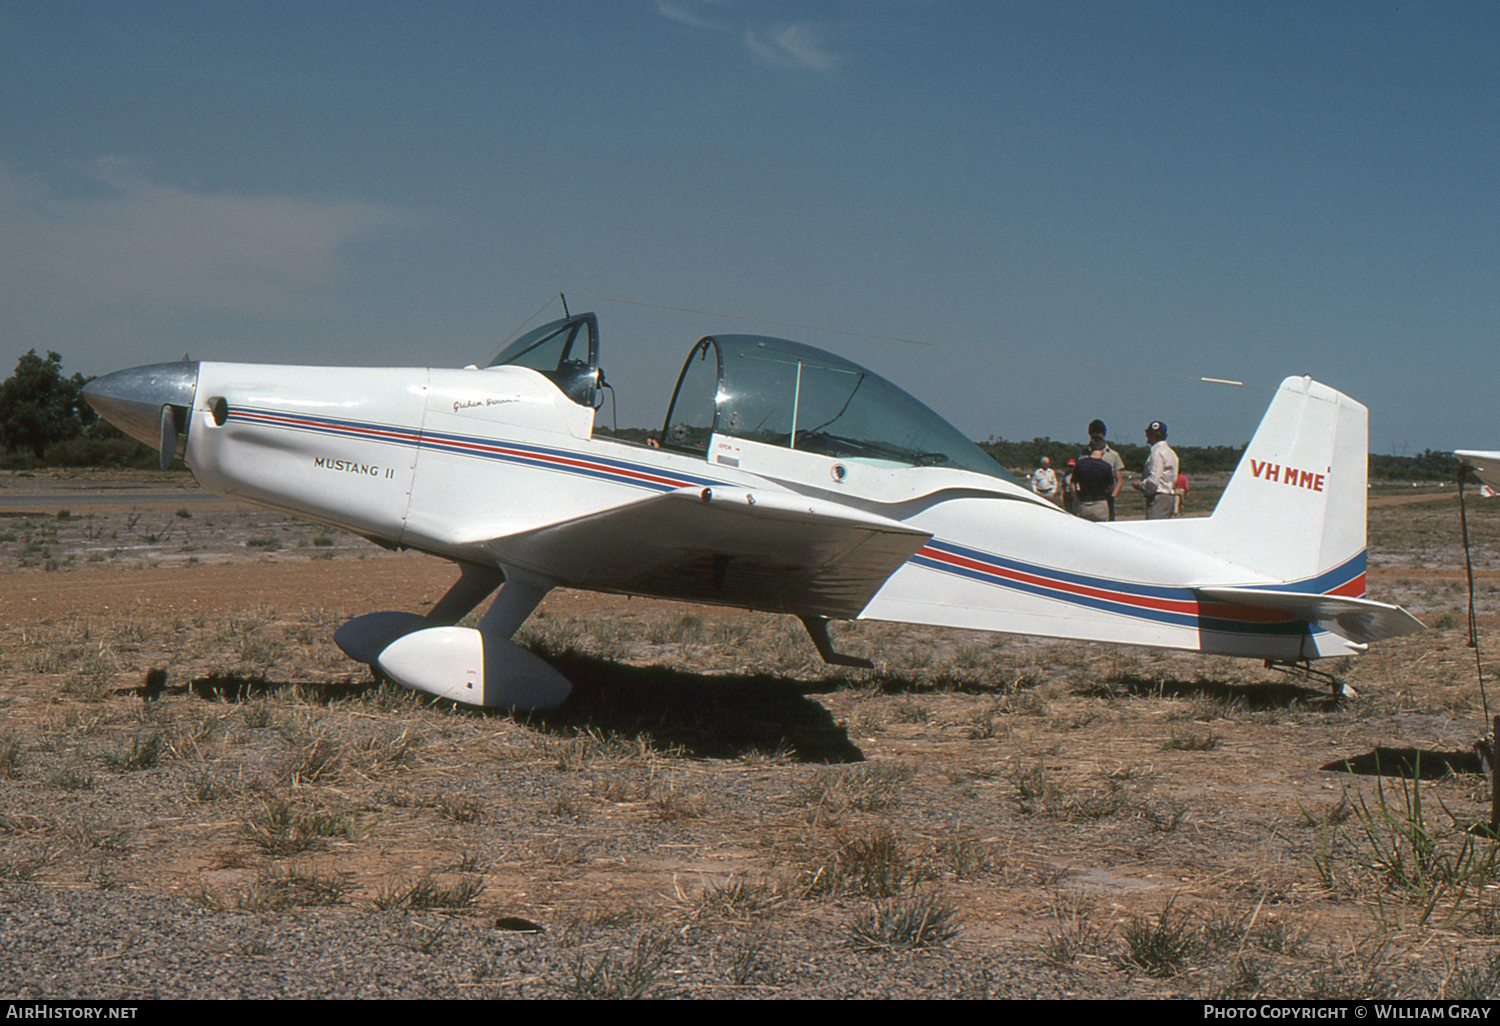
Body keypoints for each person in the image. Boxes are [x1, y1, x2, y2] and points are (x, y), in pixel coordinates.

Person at [1132, 420, 1179, 519]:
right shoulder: (1171, 453)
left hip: (1158, 497)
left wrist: (1140, 485)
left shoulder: (1157, 453)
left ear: (1153, 435)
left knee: (1152, 528)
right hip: (1170, 496)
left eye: (1148, 434)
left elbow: (1154, 481)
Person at [1087, 419, 1125, 520]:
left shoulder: (1113, 455)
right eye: (1093, 435)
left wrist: (1113, 496)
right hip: (1088, 497)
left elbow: (1119, 479)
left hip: (1106, 498)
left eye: (1098, 435)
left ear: (1103, 435)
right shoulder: (1084, 454)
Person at [1071, 447, 1115, 522]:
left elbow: (1072, 486)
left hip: (1085, 504)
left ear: (1090, 449)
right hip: (1100, 504)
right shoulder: (1106, 466)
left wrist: (1078, 498)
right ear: (1103, 450)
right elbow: (1111, 487)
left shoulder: (1079, 464)